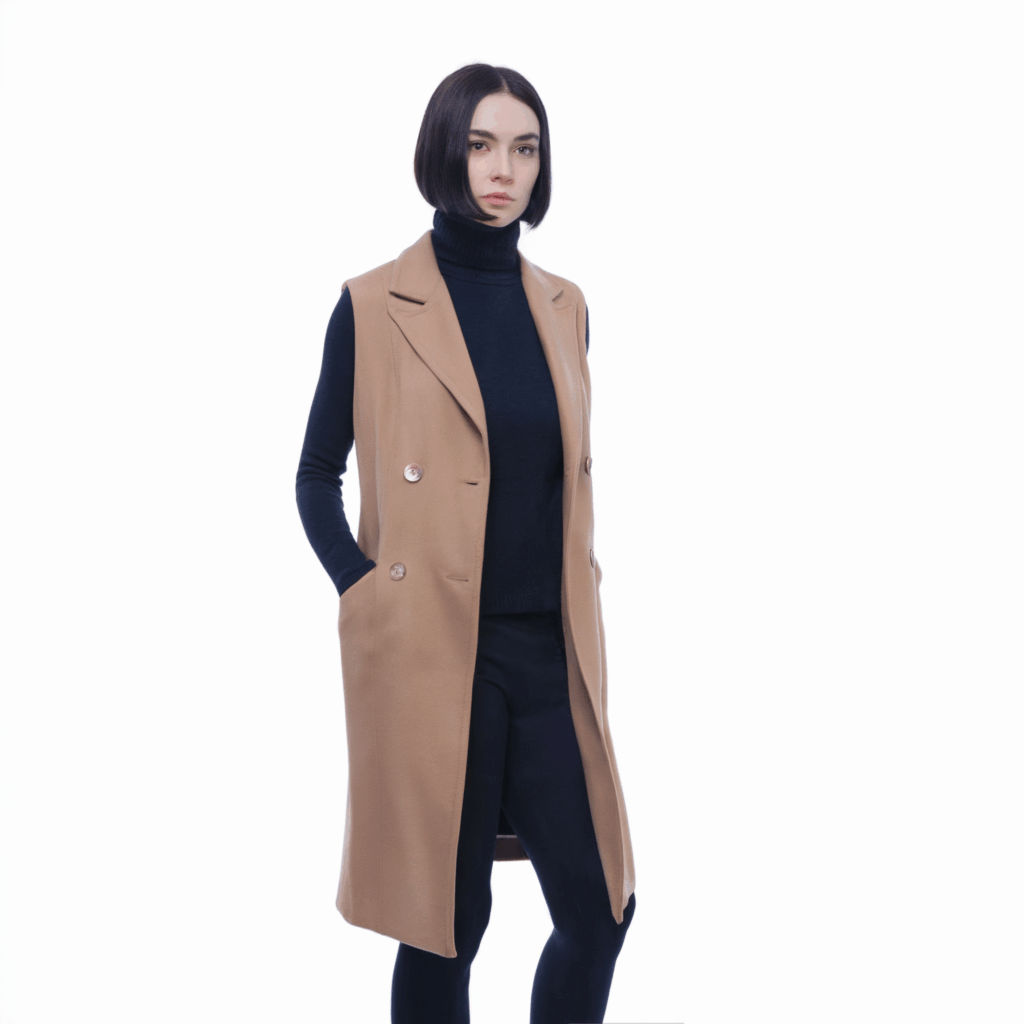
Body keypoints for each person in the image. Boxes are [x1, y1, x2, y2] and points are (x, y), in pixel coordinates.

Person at [296, 63, 636, 1024]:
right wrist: (365, 589)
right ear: (445, 150)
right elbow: (315, 472)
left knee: (600, 910)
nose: (503, 170)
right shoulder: (373, 304)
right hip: (434, 649)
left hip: (551, 650)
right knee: (446, 923)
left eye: (525, 149)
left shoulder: (565, 306)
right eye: (482, 145)